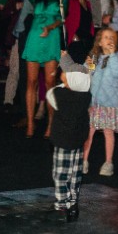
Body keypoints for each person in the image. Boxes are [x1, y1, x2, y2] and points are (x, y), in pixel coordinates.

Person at [19, 0, 65, 138]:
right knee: (31, 82)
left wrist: (51, 28)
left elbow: (62, 19)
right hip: (35, 38)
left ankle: (51, 124)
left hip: (51, 38)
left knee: (50, 83)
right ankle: (30, 123)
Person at [49, 55, 93, 222]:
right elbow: (82, 77)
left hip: (62, 142)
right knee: (75, 174)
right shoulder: (86, 97)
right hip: (78, 142)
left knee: (61, 174)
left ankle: (62, 205)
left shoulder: (59, 94)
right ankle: (73, 203)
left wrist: (62, 81)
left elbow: (50, 95)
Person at [84, 27, 118, 176]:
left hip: (110, 104)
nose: (109, 40)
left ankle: (108, 163)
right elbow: (88, 75)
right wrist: (87, 65)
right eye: (106, 37)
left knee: (108, 133)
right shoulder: (95, 57)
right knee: (88, 133)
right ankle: (84, 160)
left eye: (112, 37)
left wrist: (113, 55)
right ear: (100, 42)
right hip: (94, 103)